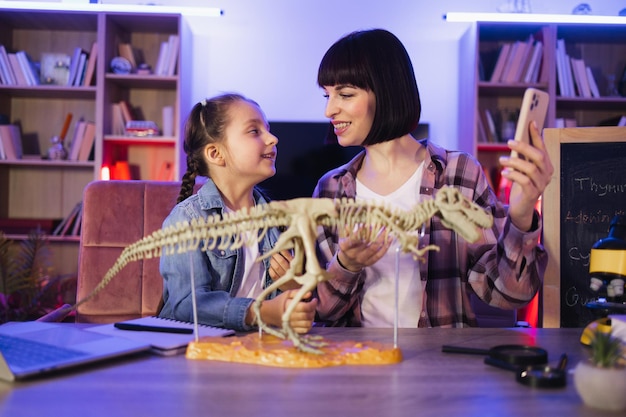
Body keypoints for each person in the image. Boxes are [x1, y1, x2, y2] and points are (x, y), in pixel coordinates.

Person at [312, 29, 554, 328]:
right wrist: (346, 266)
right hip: (358, 363)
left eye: (345, 95)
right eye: (327, 95)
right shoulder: (331, 190)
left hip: (439, 365)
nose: (329, 110)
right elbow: (323, 312)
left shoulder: (458, 174)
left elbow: (506, 295)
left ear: (387, 91)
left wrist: (520, 216)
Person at [158, 93, 317, 333]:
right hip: (197, 353)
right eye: (254, 131)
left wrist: (294, 286)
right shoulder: (188, 220)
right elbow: (186, 305)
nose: (273, 138)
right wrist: (260, 311)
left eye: (268, 129)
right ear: (215, 154)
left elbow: (294, 307)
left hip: (257, 348)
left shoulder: (279, 222)